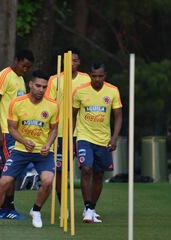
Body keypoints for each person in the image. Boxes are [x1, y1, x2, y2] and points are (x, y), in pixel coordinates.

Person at [0, 70, 59, 229]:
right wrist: (24, 141)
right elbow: (12, 129)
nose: (41, 89)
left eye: (44, 87)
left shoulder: (53, 105)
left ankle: (36, 210)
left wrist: (48, 144)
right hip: (21, 150)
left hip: (43, 152)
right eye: (38, 85)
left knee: (48, 181)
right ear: (30, 84)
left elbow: (54, 129)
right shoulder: (16, 102)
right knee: (4, 182)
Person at [72, 63, 122, 223]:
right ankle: (87, 208)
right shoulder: (80, 91)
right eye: (94, 76)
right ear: (90, 75)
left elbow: (118, 116)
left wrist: (114, 138)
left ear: (105, 75)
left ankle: (92, 208)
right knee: (86, 169)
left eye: (100, 76)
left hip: (103, 139)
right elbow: (73, 115)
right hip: (84, 137)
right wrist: (72, 137)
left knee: (99, 175)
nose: (97, 79)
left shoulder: (112, 90)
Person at [0, 49, 34, 219]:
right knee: (11, 169)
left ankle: (6, 207)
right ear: (16, 60)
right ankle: (6, 209)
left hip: (15, 133)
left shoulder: (21, 79)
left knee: (11, 169)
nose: (25, 70)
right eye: (24, 65)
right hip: (5, 132)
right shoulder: (4, 75)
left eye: (28, 67)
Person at [44, 48, 90, 205]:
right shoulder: (54, 80)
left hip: (82, 132)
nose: (72, 63)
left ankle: (89, 208)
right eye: (69, 60)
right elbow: (47, 105)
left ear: (79, 62)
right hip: (61, 132)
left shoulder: (86, 79)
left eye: (75, 60)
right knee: (61, 171)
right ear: (64, 62)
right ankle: (63, 206)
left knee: (87, 169)